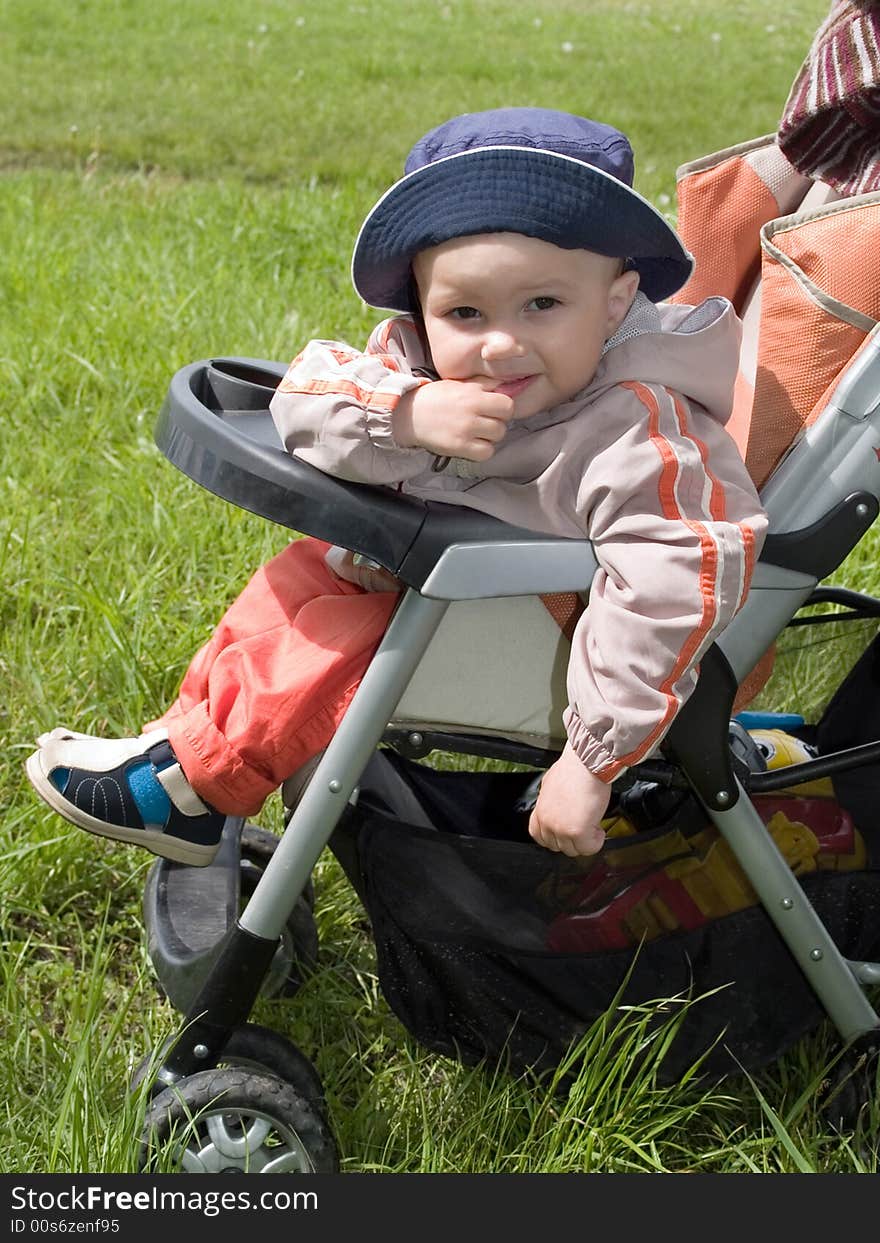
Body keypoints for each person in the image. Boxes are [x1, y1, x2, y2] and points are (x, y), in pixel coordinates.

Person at [25, 107, 767, 865]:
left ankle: (194, 786)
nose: (499, 342)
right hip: (434, 585)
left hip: (574, 646)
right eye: (464, 311)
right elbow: (306, 398)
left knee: (343, 639)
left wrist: (593, 758)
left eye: (542, 304)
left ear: (615, 302)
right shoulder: (420, 364)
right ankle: (178, 749)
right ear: (422, 307)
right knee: (299, 579)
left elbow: (677, 577)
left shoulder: (639, 429)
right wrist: (406, 414)